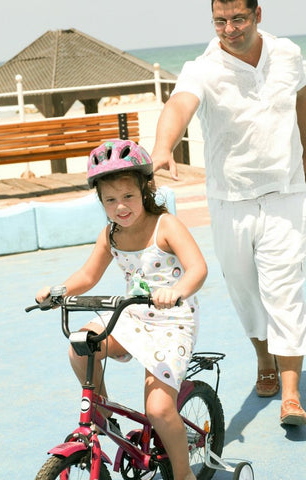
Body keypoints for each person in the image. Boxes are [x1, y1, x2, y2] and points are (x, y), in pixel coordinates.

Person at [151, 0, 306, 426]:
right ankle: (264, 360)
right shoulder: (202, 67)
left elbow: (301, 102)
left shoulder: (289, 55)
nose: (230, 29)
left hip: (286, 192)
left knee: (285, 289)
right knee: (245, 289)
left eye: (238, 19)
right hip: (230, 199)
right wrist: (164, 147)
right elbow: (180, 105)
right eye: (220, 21)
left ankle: (291, 395)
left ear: (259, 14)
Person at [36, 139, 208, 480]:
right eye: (110, 200)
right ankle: (102, 413)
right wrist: (58, 291)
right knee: (81, 346)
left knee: (158, 409)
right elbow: (87, 276)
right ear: (101, 202)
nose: (121, 207)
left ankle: (184, 473)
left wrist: (176, 291)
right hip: (133, 314)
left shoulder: (165, 226)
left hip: (172, 320)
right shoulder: (110, 235)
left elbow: (198, 269)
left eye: (128, 196)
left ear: (144, 190)